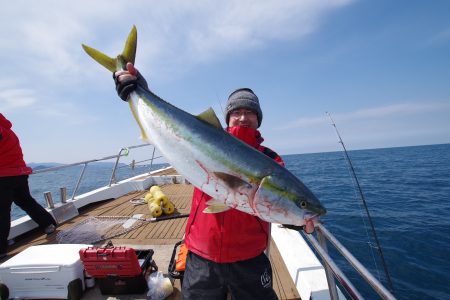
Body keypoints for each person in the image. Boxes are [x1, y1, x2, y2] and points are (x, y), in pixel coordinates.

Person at [114, 63, 314, 299]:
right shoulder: (206, 138)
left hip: (249, 257)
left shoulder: (270, 161)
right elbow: (167, 126)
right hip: (202, 253)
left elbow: (278, 200)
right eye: (236, 112)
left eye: (250, 112)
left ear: (258, 119)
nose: (243, 117)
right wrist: (139, 89)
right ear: (227, 118)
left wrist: (299, 219)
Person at [0, 113, 56, 259]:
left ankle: (1, 250)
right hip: (19, 174)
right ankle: (49, 224)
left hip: (3, 176)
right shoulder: (9, 131)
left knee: (2, 212)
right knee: (26, 201)